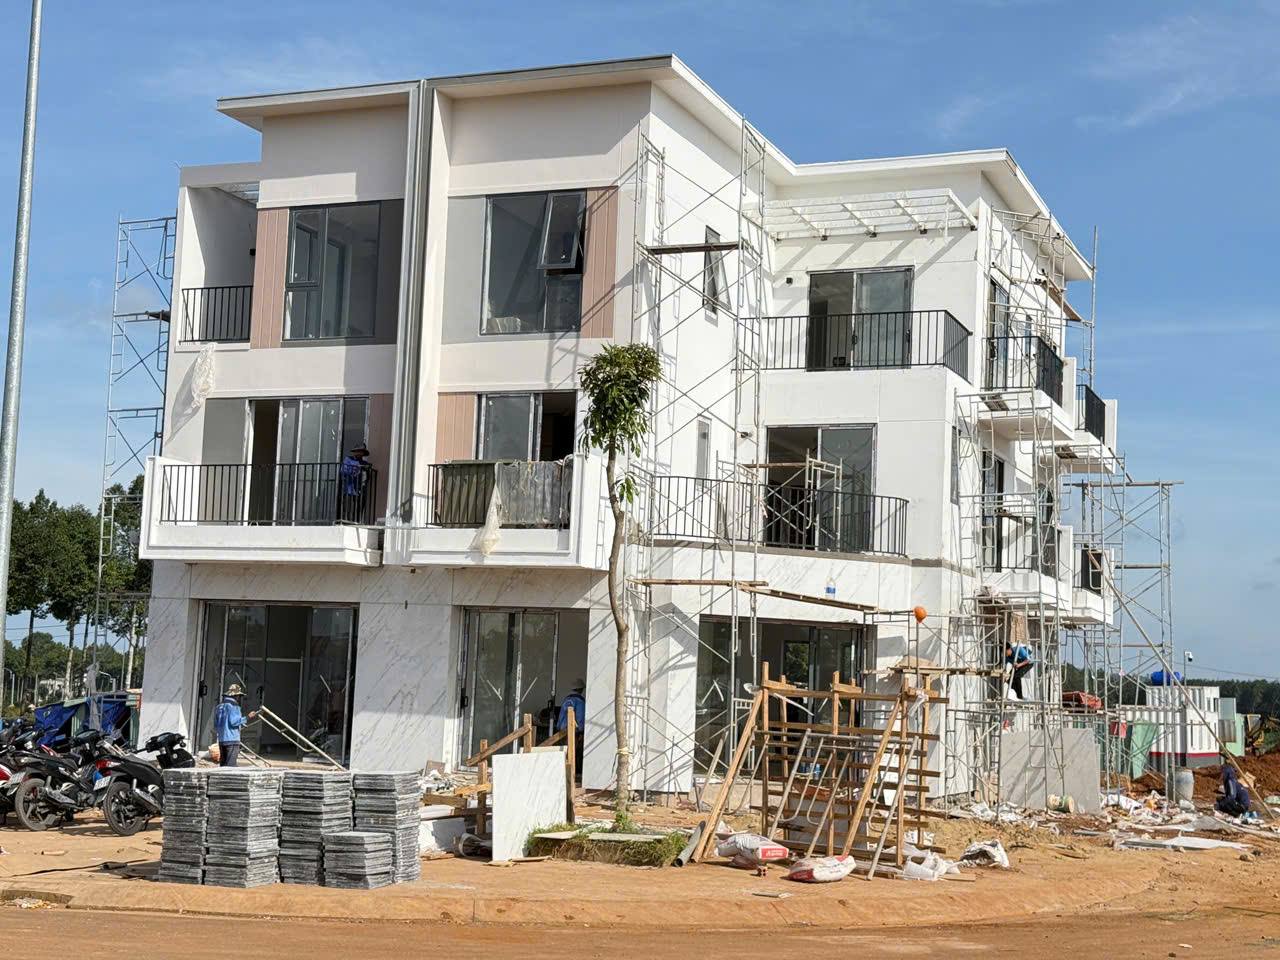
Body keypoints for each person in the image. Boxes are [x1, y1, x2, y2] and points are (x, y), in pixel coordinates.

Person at [214, 683, 256, 767]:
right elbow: (234, 722)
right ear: (236, 696)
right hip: (232, 739)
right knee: (231, 765)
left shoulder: (219, 706)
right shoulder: (234, 706)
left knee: (223, 764)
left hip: (222, 739)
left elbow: (216, 724)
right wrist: (247, 717)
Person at [340, 444, 371, 522]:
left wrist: (367, 469)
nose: (360, 453)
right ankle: (346, 523)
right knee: (348, 509)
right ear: (355, 452)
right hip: (349, 490)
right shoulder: (348, 459)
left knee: (358, 510)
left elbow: (368, 476)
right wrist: (354, 469)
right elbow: (343, 471)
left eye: (361, 451)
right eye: (358, 451)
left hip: (360, 490)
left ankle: (355, 523)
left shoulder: (364, 463)